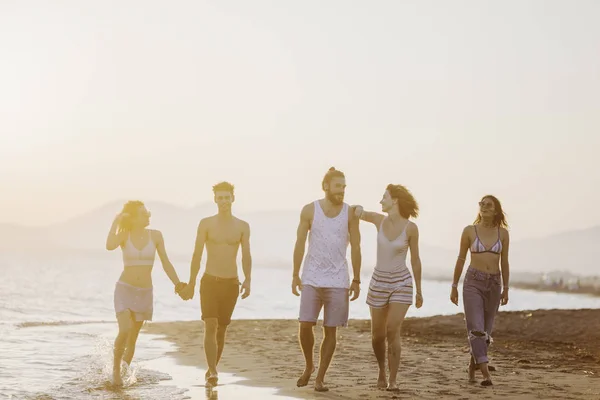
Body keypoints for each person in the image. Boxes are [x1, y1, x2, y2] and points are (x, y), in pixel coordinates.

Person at [292, 167, 362, 392]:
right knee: (305, 325)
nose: (342, 190)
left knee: (330, 330)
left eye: (344, 186)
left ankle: (320, 377)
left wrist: (357, 279)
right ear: (326, 187)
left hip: (339, 280)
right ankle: (309, 366)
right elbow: (300, 243)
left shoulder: (350, 213)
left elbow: (356, 247)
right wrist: (295, 274)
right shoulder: (309, 210)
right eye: (338, 186)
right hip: (311, 277)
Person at [179, 182, 252, 387]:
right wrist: (191, 283)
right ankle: (212, 371)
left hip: (231, 283)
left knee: (221, 329)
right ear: (215, 200)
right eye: (220, 198)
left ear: (233, 199)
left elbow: (246, 255)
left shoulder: (242, 226)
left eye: (227, 197)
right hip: (210, 280)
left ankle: (212, 368)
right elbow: (197, 254)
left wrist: (248, 279)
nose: (223, 201)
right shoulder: (206, 223)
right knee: (210, 324)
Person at [105, 200, 186, 386]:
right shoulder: (124, 235)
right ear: (133, 218)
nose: (148, 215)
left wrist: (178, 284)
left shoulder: (156, 235)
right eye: (143, 213)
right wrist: (116, 221)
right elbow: (109, 245)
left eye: (147, 212)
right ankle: (116, 372)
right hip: (124, 289)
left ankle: (124, 369)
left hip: (144, 292)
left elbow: (165, 262)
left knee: (133, 338)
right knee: (124, 330)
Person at [353, 184, 423, 392]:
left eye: (384, 197)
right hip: (378, 282)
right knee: (377, 336)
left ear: (395, 201)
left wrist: (419, 290)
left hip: (401, 282)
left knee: (393, 329)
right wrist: (354, 208)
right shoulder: (378, 220)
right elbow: (358, 212)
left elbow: (416, 260)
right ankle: (381, 371)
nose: (380, 201)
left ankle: (392, 379)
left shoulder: (411, 228)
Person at [450, 195, 510, 386]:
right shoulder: (469, 231)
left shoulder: (503, 234)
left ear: (496, 210)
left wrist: (506, 287)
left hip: (494, 283)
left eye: (488, 204)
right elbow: (460, 259)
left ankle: (472, 366)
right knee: (476, 329)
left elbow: (505, 261)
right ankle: (485, 373)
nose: (483, 207)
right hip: (473, 283)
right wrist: (454, 285)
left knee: (485, 331)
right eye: (481, 204)